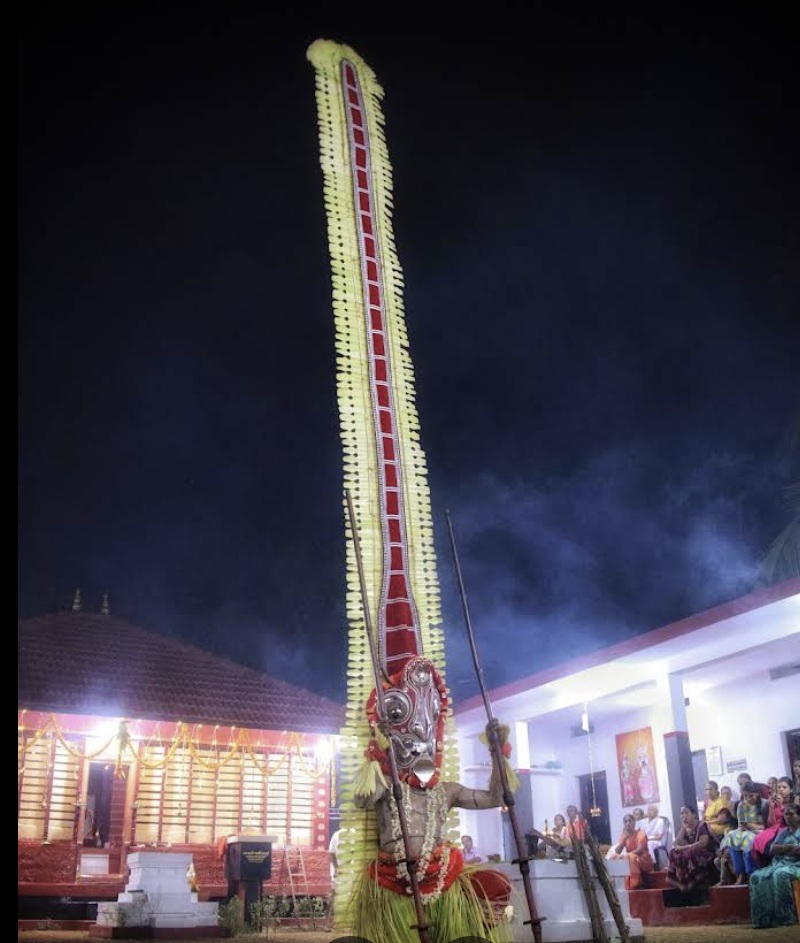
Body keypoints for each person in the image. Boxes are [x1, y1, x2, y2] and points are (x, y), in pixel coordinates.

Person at [351, 656, 515, 943]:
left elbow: (495, 797)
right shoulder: (386, 784)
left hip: (441, 881)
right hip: (391, 884)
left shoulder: (447, 791)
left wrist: (496, 752)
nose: (420, 747)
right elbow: (361, 801)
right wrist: (379, 750)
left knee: (495, 883)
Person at [748, 801, 800, 928]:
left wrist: (783, 848)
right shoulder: (783, 832)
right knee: (756, 876)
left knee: (780, 874)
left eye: (791, 814)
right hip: (780, 863)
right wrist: (789, 847)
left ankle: (786, 917)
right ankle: (764, 919)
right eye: (786, 814)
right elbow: (772, 849)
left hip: (796, 865)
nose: (788, 817)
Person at [717, 786, 767, 884]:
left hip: (759, 830)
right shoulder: (741, 805)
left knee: (747, 839)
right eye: (745, 796)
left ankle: (750, 873)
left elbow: (764, 826)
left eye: (751, 796)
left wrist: (750, 826)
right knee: (732, 837)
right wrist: (745, 826)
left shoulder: (764, 804)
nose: (748, 799)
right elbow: (740, 824)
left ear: (757, 794)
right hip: (745, 830)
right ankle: (740, 873)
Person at [666, 803, 720, 892]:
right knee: (673, 852)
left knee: (692, 851)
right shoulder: (685, 827)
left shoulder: (701, 825)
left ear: (693, 815)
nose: (683, 816)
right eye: (681, 814)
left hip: (706, 853)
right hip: (692, 851)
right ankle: (681, 884)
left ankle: (693, 881)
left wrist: (684, 848)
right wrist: (683, 828)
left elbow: (703, 843)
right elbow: (675, 843)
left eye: (686, 813)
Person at [752, 775, 794, 867]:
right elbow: (771, 823)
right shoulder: (773, 802)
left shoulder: (794, 803)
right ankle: (764, 867)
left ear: (790, 790)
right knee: (757, 839)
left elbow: (791, 821)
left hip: (787, 828)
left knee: (770, 844)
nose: (781, 789)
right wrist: (771, 807)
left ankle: (774, 865)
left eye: (784, 787)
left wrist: (782, 806)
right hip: (774, 828)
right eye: (779, 787)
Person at [605, 813, 654, 889]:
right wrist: (624, 837)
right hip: (630, 857)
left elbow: (640, 850)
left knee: (631, 857)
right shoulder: (625, 835)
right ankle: (613, 883)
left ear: (634, 822)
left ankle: (635, 884)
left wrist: (626, 855)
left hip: (643, 859)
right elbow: (617, 851)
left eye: (630, 821)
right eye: (625, 821)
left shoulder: (641, 834)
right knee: (613, 856)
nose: (628, 823)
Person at [642, 804, 672, 869]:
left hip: (659, 841)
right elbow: (642, 834)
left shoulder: (660, 821)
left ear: (656, 812)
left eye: (652, 810)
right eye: (649, 810)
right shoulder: (644, 822)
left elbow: (659, 837)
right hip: (647, 840)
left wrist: (648, 838)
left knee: (649, 843)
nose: (650, 811)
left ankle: (653, 862)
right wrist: (646, 838)